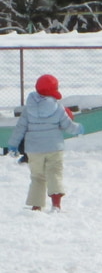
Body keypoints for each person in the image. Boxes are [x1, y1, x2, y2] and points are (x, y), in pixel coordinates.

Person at [8, 74, 84, 211]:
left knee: (37, 176)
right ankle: (56, 204)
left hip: (34, 149)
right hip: (54, 148)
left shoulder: (28, 109)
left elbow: (20, 128)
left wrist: (13, 145)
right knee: (54, 173)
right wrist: (78, 128)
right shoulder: (58, 108)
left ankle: (36, 206)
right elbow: (67, 125)